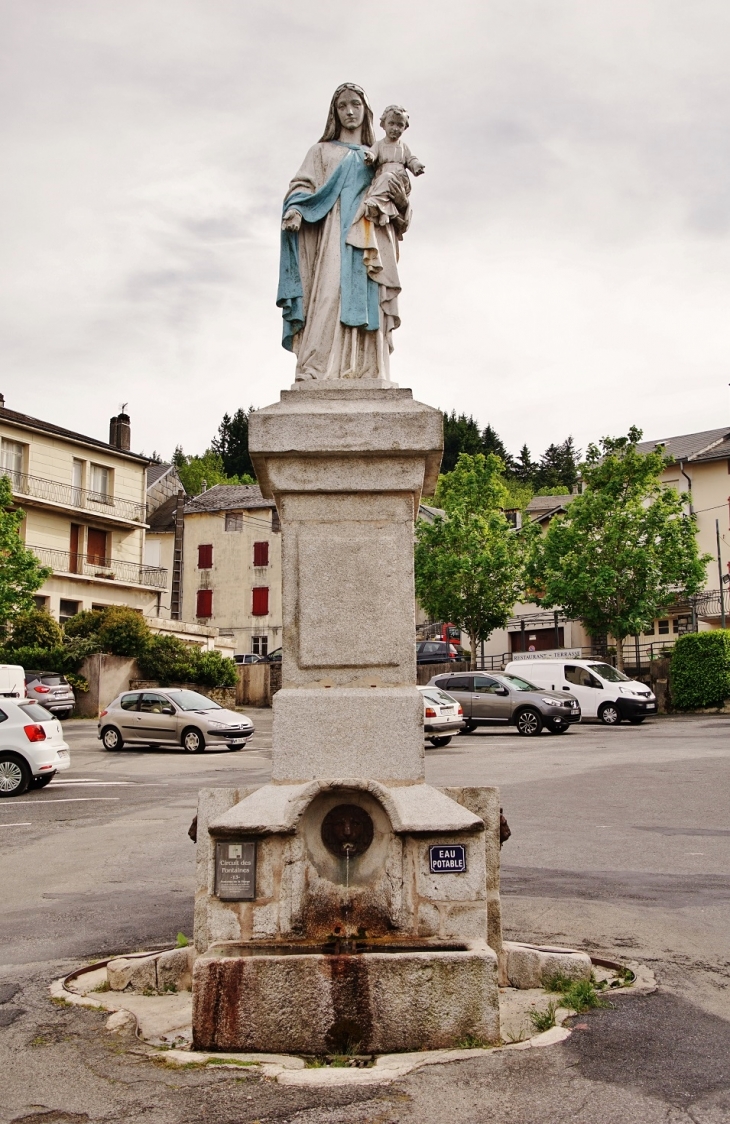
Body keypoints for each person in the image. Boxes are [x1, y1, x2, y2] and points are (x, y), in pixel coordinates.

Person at [277, 83, 403, 382]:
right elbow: (301, 188)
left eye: (355, 105)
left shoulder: (380, 156)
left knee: (371, 299)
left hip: (371, 235)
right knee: (328, 296)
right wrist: (295, 209)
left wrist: (399, 198)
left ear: (367, 111)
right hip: (333, 232)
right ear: (334, 112)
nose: (349, 111)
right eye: (342, 105)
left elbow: (400, 208)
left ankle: (368, 370)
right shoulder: (321, 151)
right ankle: (317, 368)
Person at [362, 105, 425, 233]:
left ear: (405, 127)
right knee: (385, 185)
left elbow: (411, 159)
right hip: (383, 177)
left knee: (387, 179)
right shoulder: (379, 144)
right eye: (391, 123)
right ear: (383, 125)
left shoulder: (403, 147)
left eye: (400, 125)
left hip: (399, 179)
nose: (395, 128)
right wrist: (370, 157)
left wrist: (416, 166)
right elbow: (373, 153)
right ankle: (384, 213)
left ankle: (375, 202)